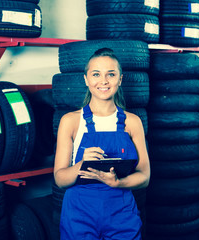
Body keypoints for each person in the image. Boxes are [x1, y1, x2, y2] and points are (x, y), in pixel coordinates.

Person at [53, 48, 150, 240]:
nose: (103, 81)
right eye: (96, 74)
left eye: (111, 74)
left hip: (121, 214)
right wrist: (81, 165)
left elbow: (145, 176)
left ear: (120, 79)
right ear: (86, 79)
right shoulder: (70, 121)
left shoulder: (132, 122)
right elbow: (60, 179)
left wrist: (119, 182)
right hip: (80, 215)